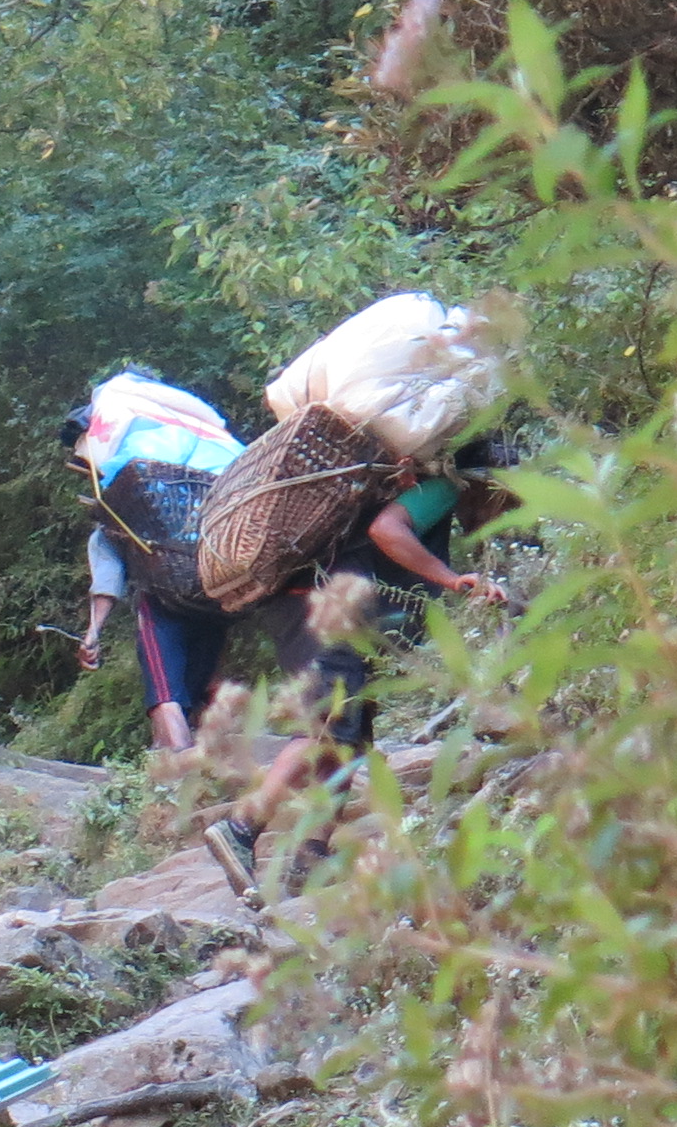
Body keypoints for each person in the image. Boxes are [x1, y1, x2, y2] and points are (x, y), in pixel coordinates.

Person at [203, 443, 517, 900]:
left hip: (324, 605)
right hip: (324, 603)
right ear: (490, 485)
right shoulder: (446, 488)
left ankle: (311, 854)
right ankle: (240, 827)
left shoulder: (431, 495)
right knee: (326, 724)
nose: (501, 515)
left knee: (351, 734)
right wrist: (452, 579)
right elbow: (386, 531)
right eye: (506, 503)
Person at [65, 373, 244, 755]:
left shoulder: (126, 506)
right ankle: (198, 768)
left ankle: (179, 771)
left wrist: (94, 630)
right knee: (199, 685)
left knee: (165, 691)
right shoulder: (213, 474)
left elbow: (108, 572)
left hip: (163, 598)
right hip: (221, 591)